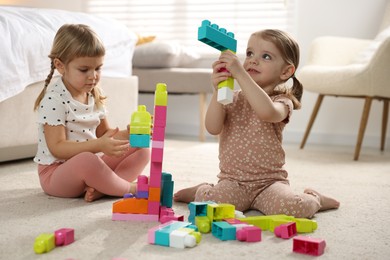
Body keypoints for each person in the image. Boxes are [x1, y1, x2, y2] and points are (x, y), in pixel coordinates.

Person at [174, 29, 340, 218]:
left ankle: (316, 198)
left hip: (269, 184)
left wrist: (240, 74)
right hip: (233, 182)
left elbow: (266, 112)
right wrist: (217, 90)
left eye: (266, 56)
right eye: (250, 53)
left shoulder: (282, 101)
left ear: (286, 71)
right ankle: (201, 190)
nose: (253, 60)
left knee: (295, 208)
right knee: (211, 205)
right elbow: (213, 127)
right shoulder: (232, 98)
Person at [33, 24, 150, 202]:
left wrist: (131, 133)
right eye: (84, 70)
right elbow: (57, 148)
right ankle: (128, 188)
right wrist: (97, 146)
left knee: (142, 151)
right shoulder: (54, 101)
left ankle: (103, 188)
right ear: (60, 66)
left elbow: (105, 136)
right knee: (87, 160)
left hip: (92, 164)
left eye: (98, 68)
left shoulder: (94, 95)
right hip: (56, 174)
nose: (93, 76)